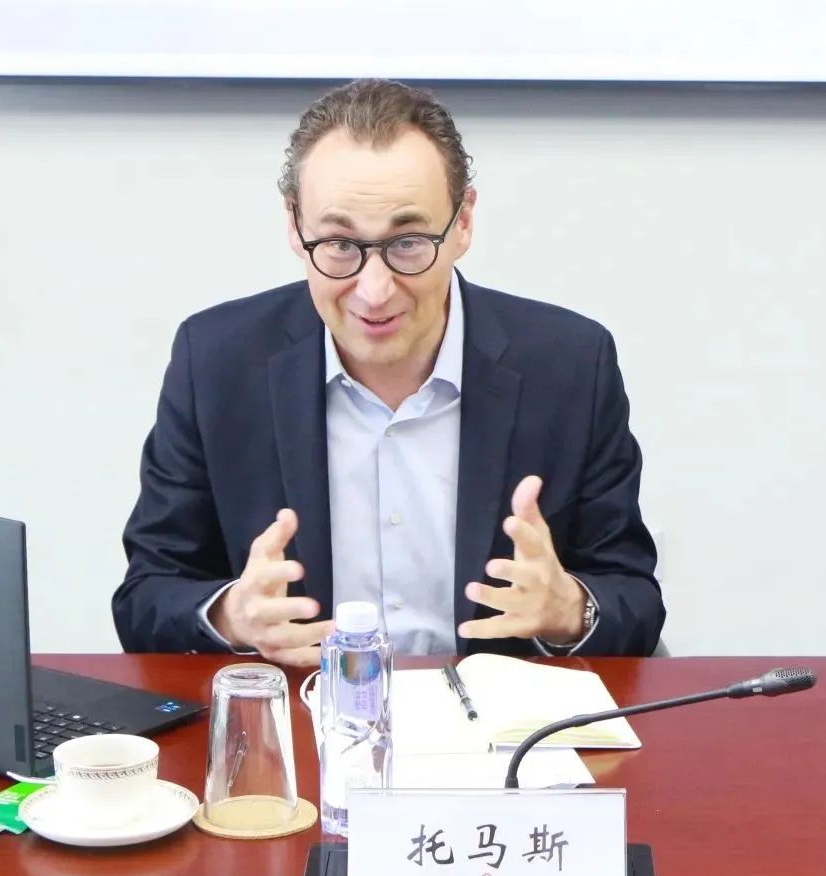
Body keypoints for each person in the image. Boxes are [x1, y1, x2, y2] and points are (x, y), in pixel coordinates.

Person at [112, 78, 664, 665]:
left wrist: (570, 608)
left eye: (408, 242)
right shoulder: (216, 361)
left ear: (463, 222)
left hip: (497, 715)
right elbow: (147, 596)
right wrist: (231, 615)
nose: (374, 292)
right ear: (295, 226)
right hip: (302, 708)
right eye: (339, 244)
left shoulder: (571, 364)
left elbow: (634, 600)